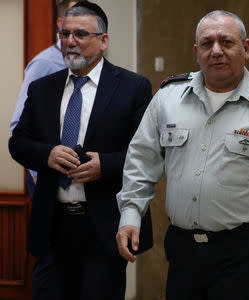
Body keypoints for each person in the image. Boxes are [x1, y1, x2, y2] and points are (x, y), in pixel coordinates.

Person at [115, 10, 249, 300]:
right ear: (196, 51)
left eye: (226, 42)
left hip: (242, 251)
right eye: (207, 43)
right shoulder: (168, 99)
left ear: (246, 48)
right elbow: (140, 162)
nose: (216, 51)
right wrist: (130, 214)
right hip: (183, 249)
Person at [9, 2, 153, 299]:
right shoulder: (43, 89)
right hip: (52, 226)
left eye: (80, 34)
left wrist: (107, 165)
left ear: (103, 41)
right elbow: (18, 142)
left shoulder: (132, 87)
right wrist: (47, 154)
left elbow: (149, 153)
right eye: (65, 34)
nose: (70, 41)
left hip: (103, 226)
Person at [10, 0, 84, 197]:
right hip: (47, 175)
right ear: (61, 24)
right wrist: (36, 171)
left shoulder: (88, 64)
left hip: (84, 180)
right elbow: (19, 124)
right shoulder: (45, 63)